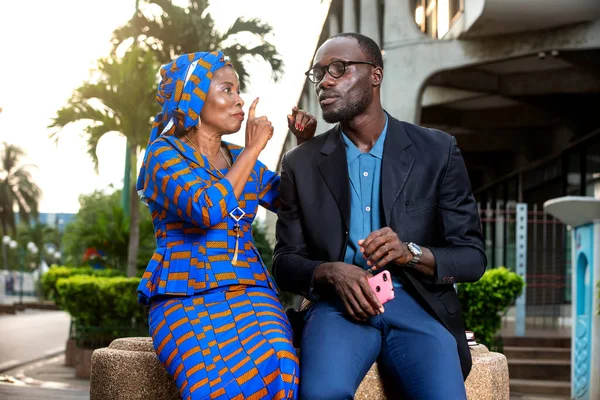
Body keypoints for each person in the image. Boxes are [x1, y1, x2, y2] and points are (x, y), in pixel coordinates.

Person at [273, 33, 487, 400]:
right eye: (319, 73)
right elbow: (284, 262)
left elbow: (471, 257)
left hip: (418, 304)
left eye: (338, 68)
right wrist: (330, 272)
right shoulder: (300, 163)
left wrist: (410, 252)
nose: (324, 81)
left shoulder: (437, 150)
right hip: (337, 310)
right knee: (322, 394)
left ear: (375, 75)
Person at [137, 51, 315, 400]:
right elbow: (206, 208)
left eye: (238, 90)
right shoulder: (163, 154)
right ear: (195, 97)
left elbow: (295, 204)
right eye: (227, 90)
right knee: (209, 386)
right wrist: (254, 149)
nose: (239, 99)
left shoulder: (237, 157)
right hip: (183, 294)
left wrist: (303, 146)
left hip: (249, 289)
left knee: (280, 362)